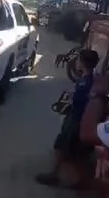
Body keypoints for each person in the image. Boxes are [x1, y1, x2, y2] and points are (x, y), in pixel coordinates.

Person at [36, 49, 99, 189]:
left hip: (76, 121)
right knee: (71, 151)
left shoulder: (86, 82)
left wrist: (70, 103)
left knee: (66, 149)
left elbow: (82, 103)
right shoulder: (89, 79)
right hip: (77, 119)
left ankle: (58, 176)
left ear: (82, 63)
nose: (76, 62)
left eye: (78, 60)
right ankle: (76, 180)